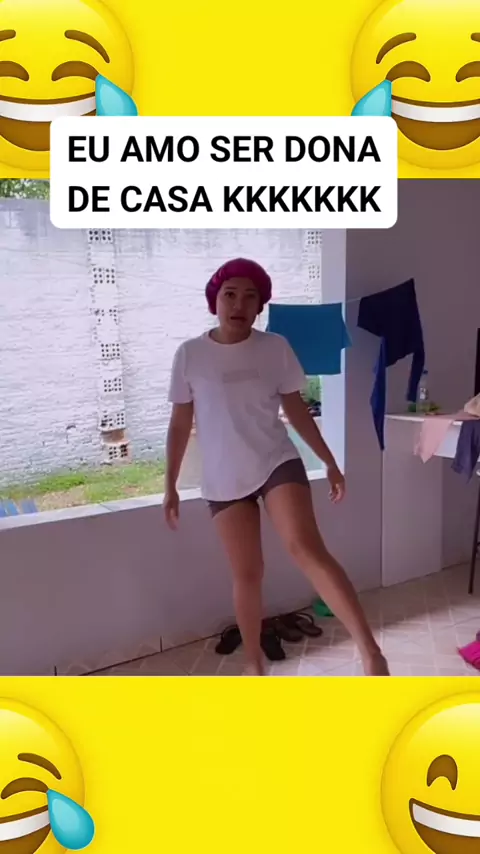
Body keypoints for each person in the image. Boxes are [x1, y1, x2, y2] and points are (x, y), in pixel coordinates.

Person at [163, 258, 389, 677]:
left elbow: (296, 409)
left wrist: (329, 461)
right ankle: (255, 665)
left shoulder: (275, 348)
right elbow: (180, 424)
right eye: (230, 294)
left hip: (275, 461)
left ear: (260, 305)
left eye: (250, 297)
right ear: (215, 300)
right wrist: (170, 486)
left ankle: (371, 653)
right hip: (223, 477)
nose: (239, 304)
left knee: (305, 547)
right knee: (248, 573)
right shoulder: (190, 355)